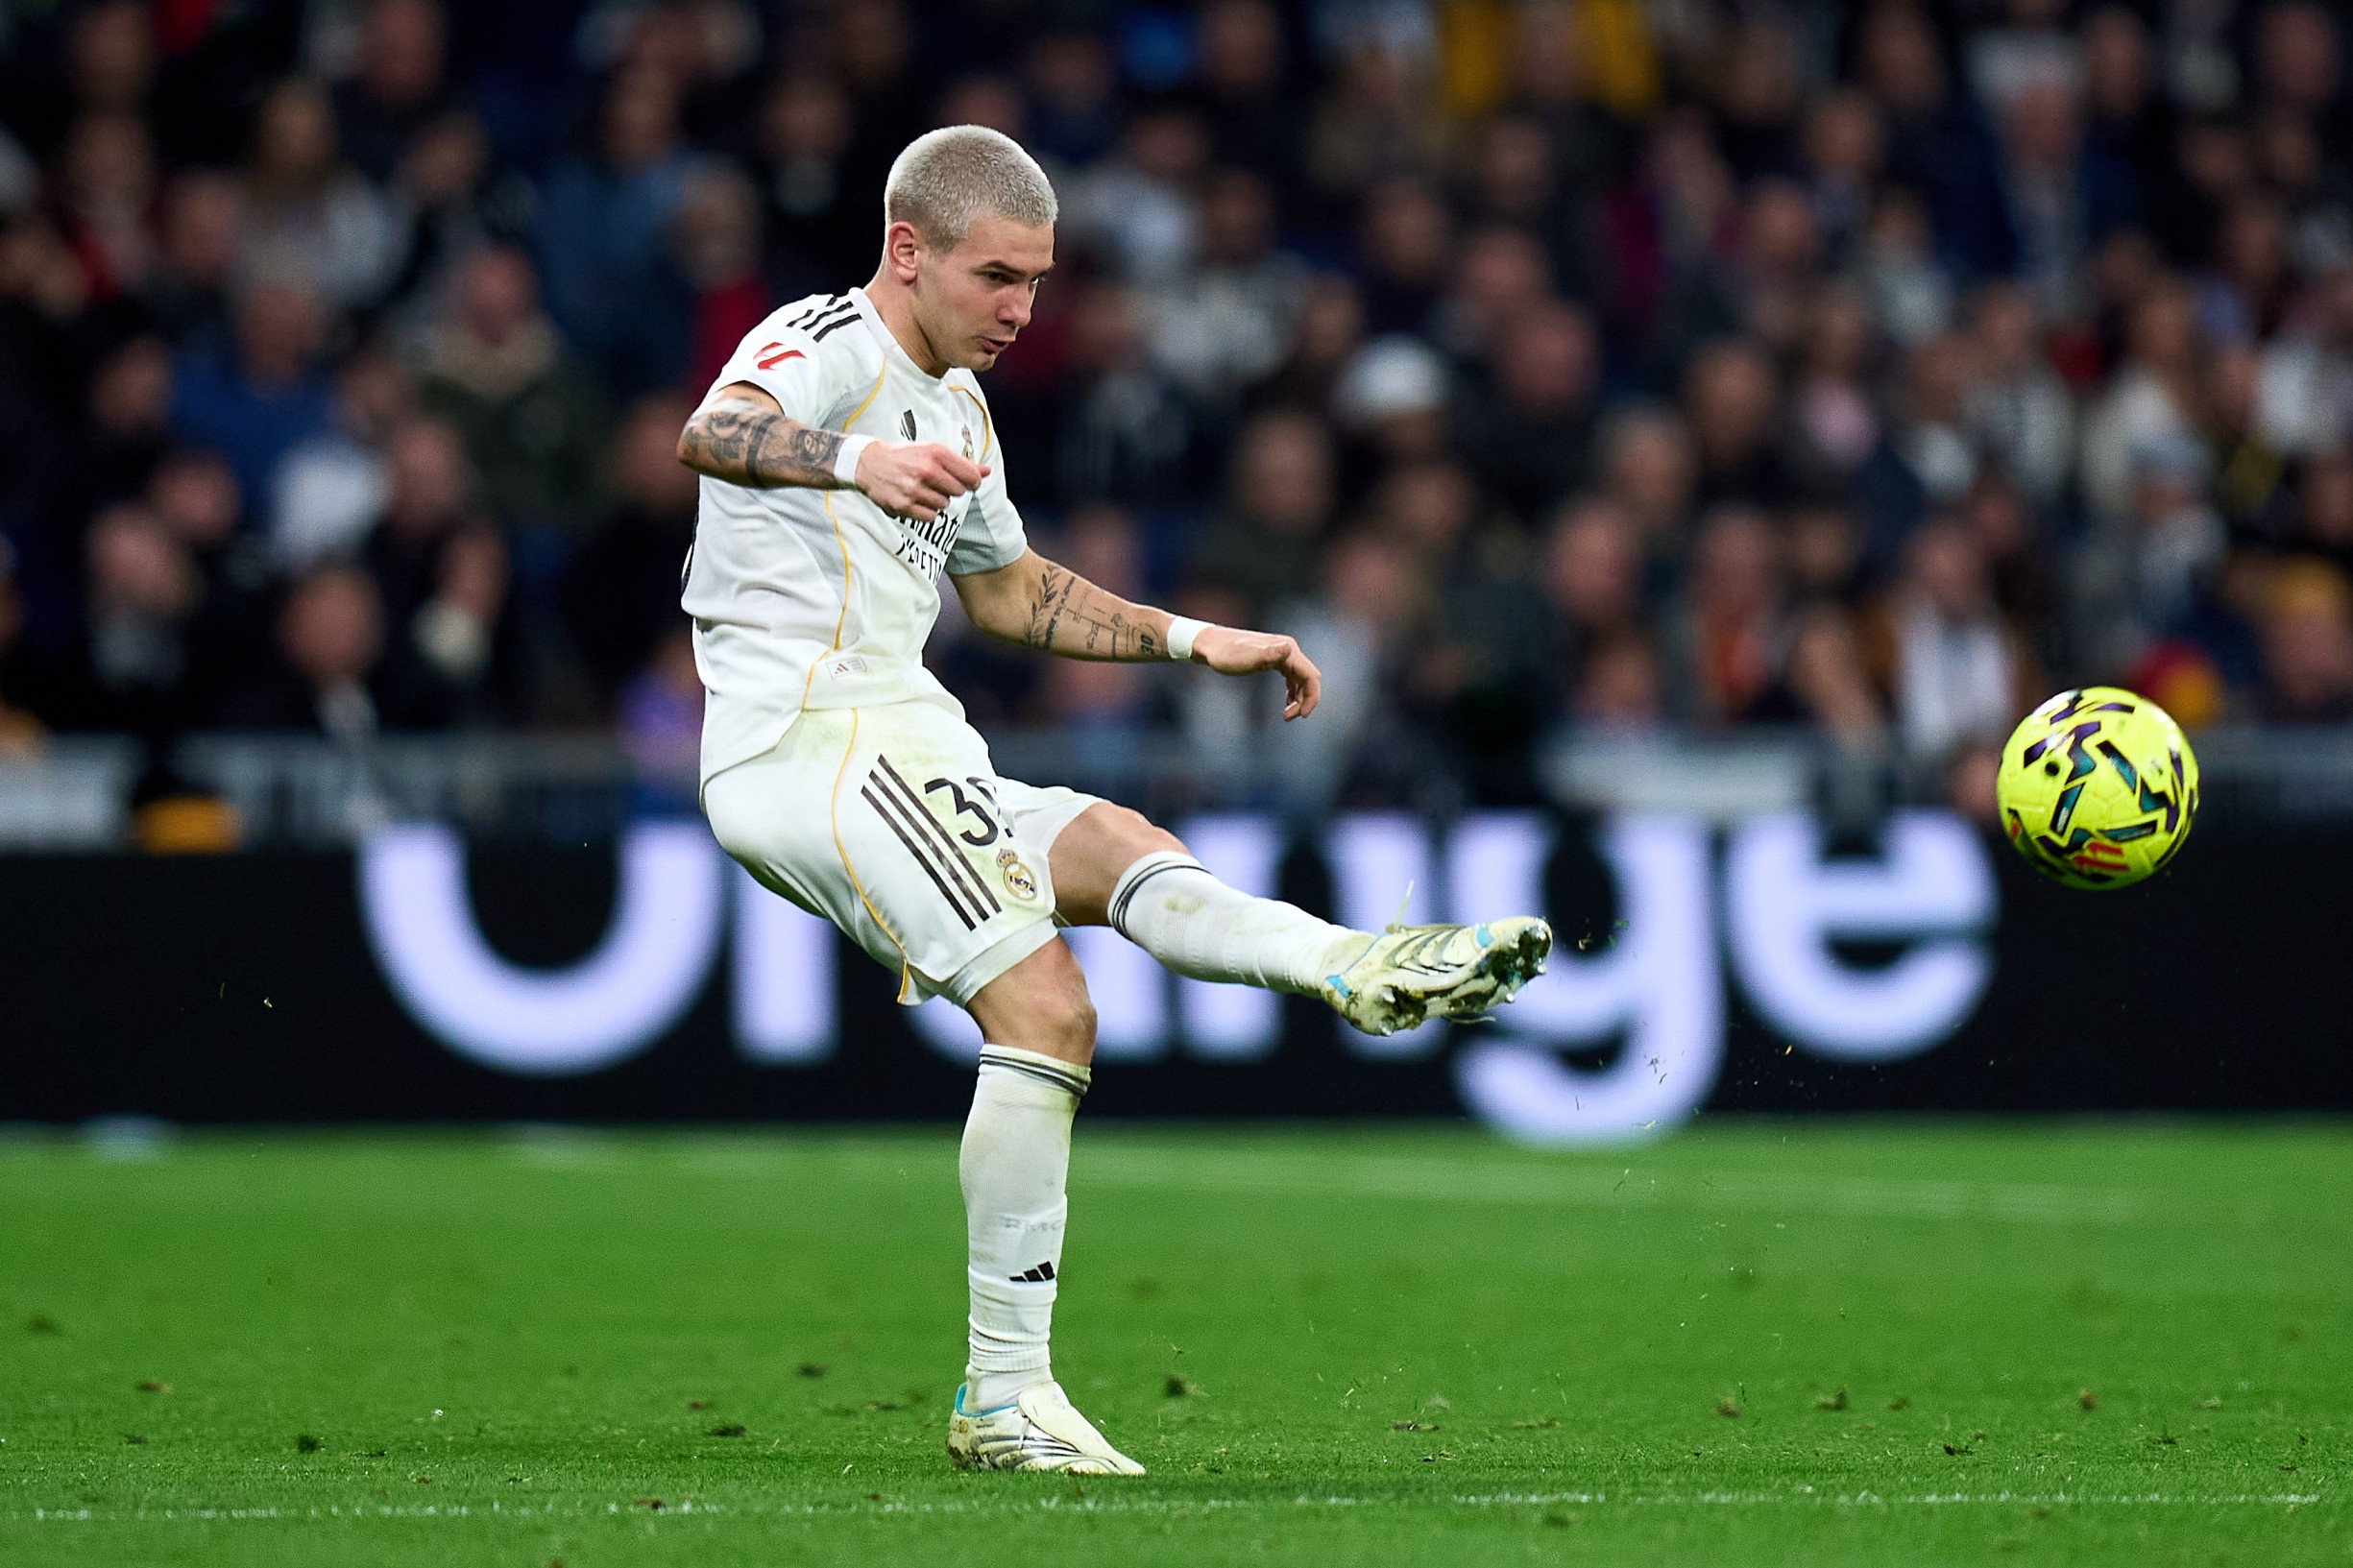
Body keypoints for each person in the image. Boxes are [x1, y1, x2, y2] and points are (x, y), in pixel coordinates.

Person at [673, 127, 1552, 1477]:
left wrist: (1206, 640)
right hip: (809, 740)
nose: (1023, 307)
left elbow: (1014, 592)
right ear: (908, 251)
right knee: (1047, 1008)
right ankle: (1004, 1397)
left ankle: (1350, 963)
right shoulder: (830, 343)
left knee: (1118, 846)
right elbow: (711, 430)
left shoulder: (958, 405)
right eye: (998, 275)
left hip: (908, 733)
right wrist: (854, 465)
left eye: (1038, 278)